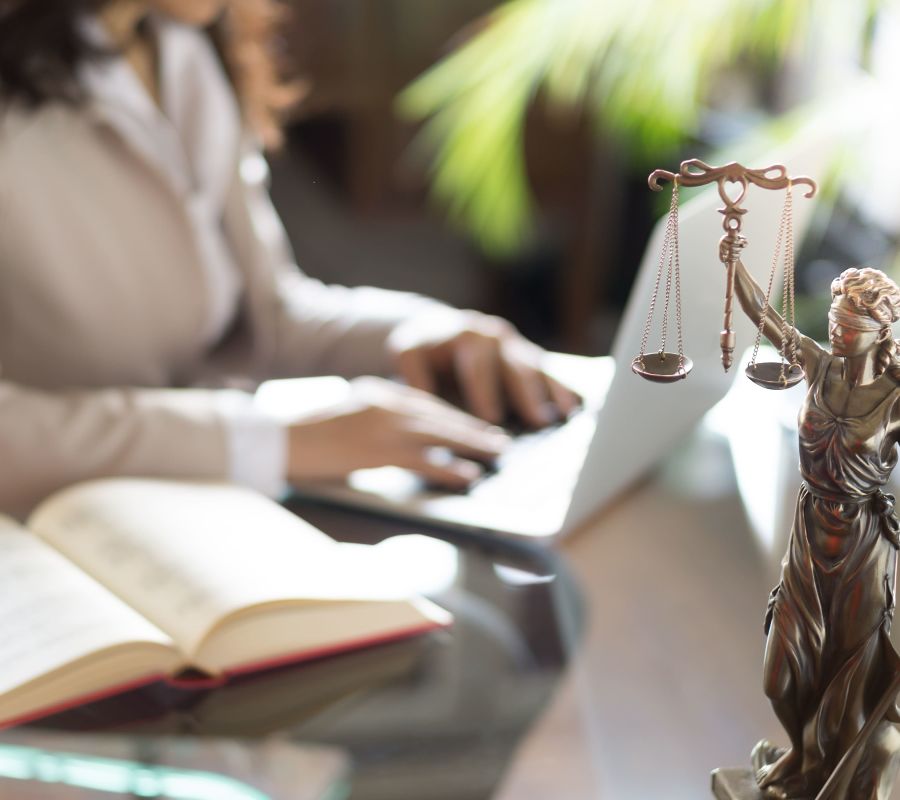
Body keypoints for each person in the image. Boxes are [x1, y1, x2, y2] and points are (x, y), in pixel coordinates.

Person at [0, 0, 579, 519]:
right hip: (56, 545)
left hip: (199, 516)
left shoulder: (178, 46)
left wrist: (417, 330)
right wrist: (269, 441)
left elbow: (267, 314)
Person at [734, 260, 900, 799]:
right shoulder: (819, 366)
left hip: (862, 551)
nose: (835, 331)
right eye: (833, 319)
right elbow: (764, 314)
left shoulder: (896, 399)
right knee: (779, 675)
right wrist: (734, 254)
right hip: (807, 539)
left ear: (880, 333)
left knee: (844, 697)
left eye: (848, 326)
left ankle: (831, 779)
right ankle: (801, 756)